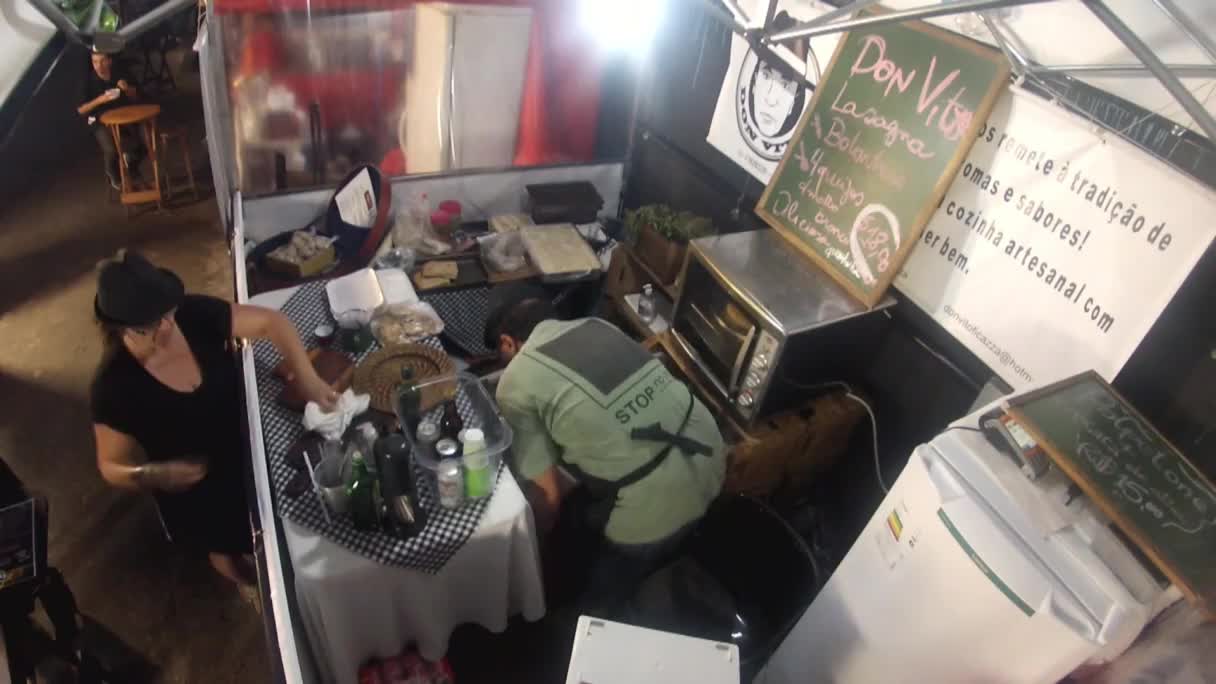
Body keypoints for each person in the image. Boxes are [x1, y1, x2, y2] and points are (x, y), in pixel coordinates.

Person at [90, 251, 338, 585]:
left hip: (245, 446)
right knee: (226, 548)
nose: (167, 326)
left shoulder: (191, 315)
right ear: (120, 329)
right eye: (149, 324)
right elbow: (111, 465)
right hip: (198, 485)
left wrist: (305, 375)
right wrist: (153, 473)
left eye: (168, 314)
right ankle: (256, 588)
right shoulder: (113, 387)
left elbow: (270, 322)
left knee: (277, 527)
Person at [485, 289, 726, 612]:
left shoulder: (516, 380)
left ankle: (597, 629)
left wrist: (534, 558)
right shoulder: (598, 326)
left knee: (598, 604)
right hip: (711, 454)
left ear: (507, 343)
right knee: (588, 516)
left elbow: (548, 500)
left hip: (654, 505)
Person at [78, 49, 144, 189]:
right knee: (112, 150)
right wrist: (100, 100)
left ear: (109, 61)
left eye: (102, 61)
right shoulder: (89, 80)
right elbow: (81, 110)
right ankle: (114, 175)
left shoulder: (121, 74)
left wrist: (127, 89)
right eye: (95, 62)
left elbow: (136, 97)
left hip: (122, 116)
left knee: (145, 141)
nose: (99, 66)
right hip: (96, 119)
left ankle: (131, 165)